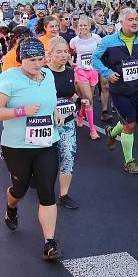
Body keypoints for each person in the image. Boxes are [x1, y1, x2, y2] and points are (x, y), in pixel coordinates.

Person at [0, 37, 63, 261]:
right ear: (21, 59)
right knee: (19, 188)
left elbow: (51, 99)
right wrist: (21, 111)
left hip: (47, 142)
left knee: (47, 190)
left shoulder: (48, 75)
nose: (38, 64)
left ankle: (49, 243)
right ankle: (11, 207)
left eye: (41, 59)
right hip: (17, 145)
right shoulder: (7, 79)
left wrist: (55, 112)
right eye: (32, 60)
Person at [93, 7, 138, 174]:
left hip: (137, 88)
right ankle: (129, 161)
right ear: (121, 22)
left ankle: (112, 133)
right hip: (119, 89)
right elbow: (95, 59)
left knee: (129, 123)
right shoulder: (109, 41)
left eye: (137, 19)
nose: (135, 22)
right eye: (130, 19)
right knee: (130, 124)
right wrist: (107, 73)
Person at [45, 36, 83, 209]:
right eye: (58, 52)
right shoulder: (43, 73)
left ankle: (64, 194)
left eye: (65, 52)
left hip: (67, 122)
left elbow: (70, 92)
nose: (63, 55)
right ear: (50, 54)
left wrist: (80, 100)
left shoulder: (69, 71)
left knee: (68, 155)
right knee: (48, 160)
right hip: (46, 123)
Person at [70, 16, 102, 140]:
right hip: (80, 71)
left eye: (85, 25)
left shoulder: (97, 38)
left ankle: (80, 114)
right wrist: (71, 62)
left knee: (88, 98)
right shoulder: (74, 41)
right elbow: (69, 51)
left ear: (90, 26)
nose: (82, 28)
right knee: (89, 99)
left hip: (93, 71)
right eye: (80, 26)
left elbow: (102, 51)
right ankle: (93, 130)